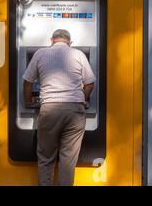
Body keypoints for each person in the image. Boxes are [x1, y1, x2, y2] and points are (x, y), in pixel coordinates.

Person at [22, 29, 95, 186]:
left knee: (46, 158)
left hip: (50, 109)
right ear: (70, 42)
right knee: (68, 162)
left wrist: (28, 101)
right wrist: (82, 96)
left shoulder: (40, 54)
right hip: (75, 112)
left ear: (51, 40)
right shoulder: (78, 55)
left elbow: (27, 82)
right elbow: (90, 83)